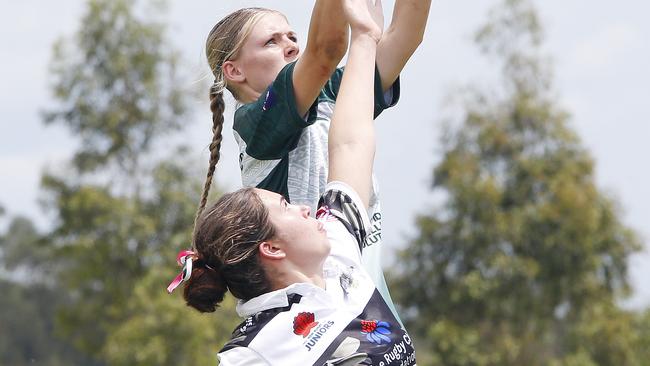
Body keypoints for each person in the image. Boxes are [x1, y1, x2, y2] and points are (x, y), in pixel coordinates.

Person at [168, 0, 417, 364]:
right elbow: (325, 50)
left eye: (292, 36)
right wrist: (355, 34)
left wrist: (367, 36)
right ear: (234, 70)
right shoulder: (255, 125)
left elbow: (405, 36)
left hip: (349, 286)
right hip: (305, 300)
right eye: (271, 41)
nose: (290, 45)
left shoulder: (332, 92)